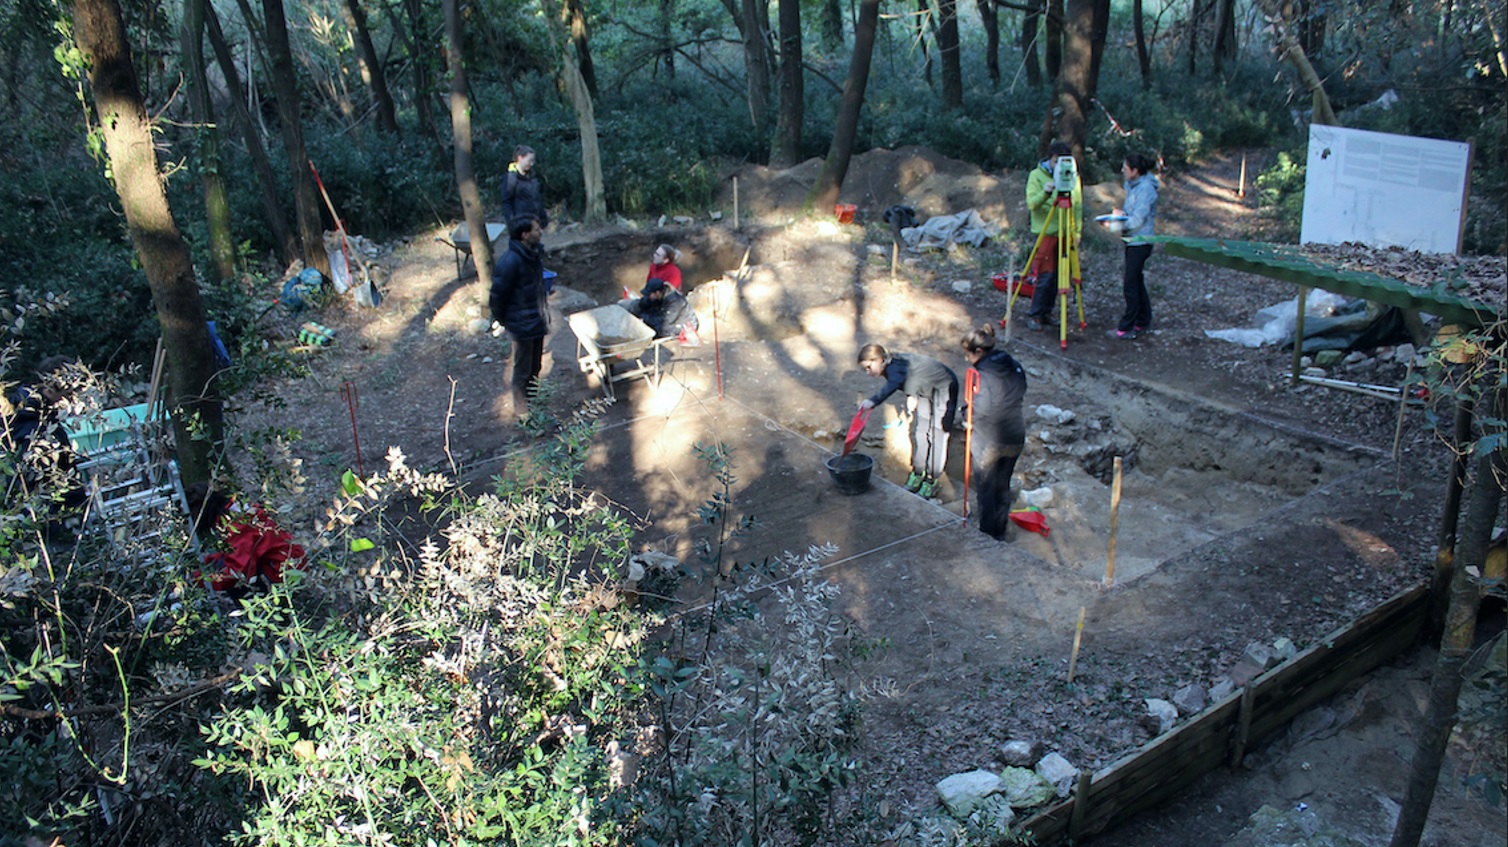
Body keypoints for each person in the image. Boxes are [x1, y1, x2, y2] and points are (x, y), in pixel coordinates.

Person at [857, 344, 958, 499]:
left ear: (881, 360)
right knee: (921, 432)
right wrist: (912, 394)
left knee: (937, 434)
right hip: (924, 389)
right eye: (865, 369)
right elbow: (911, 374)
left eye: (869, 367)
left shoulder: (893, 369)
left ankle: (932, 479)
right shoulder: (892, 365)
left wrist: (873, 401)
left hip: (943, 387)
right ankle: (918, 472)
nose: (867, 372)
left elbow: (895, 382)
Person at [959, 325, 1027, 540]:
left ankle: (987, 536)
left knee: (986, 489)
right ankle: (1001, 530)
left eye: (967, 354)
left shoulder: (984, 375)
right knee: (1003, 485)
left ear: (978, 352)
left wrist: (966, 415)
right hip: (1015, 435)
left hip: (990, 439)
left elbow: (983, 406)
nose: (966, 358)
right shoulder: (1013, 365)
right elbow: (1020, 390)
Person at [490, 215, 551, 419]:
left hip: (537, 321)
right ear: (525, 235)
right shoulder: (510, 262)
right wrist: (507, 322)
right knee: (522, 371)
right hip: (522, 326)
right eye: (536, 229)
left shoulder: (533, 255)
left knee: (535, 367)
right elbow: (497, 297)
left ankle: (532, 403)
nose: (540, 231)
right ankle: (523, 413)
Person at [1021, 141, 1084, 332]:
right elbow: (1032, 204)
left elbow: (1077, 206)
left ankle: (1047, 312)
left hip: (1065, 233)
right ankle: (1036, 314)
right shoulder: (1036, 176)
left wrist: (1077, 231)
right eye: (1057, 162)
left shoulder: (1072, 177)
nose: (1060, 166)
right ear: (1051, 159)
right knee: (1045, 275)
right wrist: (1046, 193)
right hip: (1046, 232)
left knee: (1059, 276)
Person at [1106, 152, 1160, 340]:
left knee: (1130, 283)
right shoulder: (1134, 185)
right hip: (1132, 240)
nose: (1122, 170)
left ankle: (1126, 326)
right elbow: (1131, 211)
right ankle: (1143, 320)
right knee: (1136, 281)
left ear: (1135, 170)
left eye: (1126, 168)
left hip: (1140, 241)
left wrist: (1116, 224)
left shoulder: (1146, 190)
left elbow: (1137, 220)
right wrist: (1120, 214)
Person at [625, 278, 698, 340]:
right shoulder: (658, 296)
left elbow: (664, 321)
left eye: (650, 294)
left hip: (684, 324)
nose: (648, 296)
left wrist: (643, 318)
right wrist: (634, 308)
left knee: (662, 329)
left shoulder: (675, 301)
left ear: (657, 293)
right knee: (648, 312)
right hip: (669, 318)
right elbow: (643, 303)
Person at [499, 145, 548, 233]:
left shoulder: (533, 178)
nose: (531, 164)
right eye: (529, 161)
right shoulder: (510, 178)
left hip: (534, 223)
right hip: (520, 224)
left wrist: (543, 219)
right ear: (520, 158)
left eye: (533, 161)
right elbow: (506, 202)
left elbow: (537, 200)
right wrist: (512, 223)